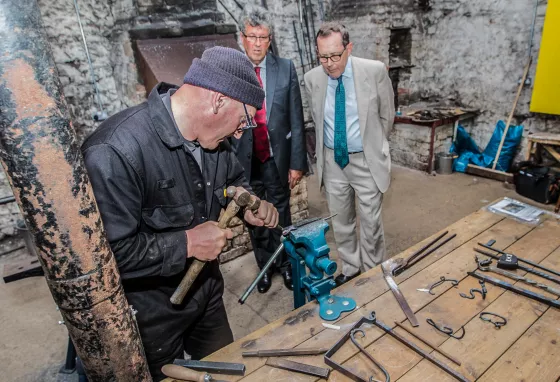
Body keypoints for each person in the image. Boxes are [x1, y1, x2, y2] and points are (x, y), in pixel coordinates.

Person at [81, 46, 279, 381]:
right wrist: (187, 243)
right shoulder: (114, 152)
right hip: (150, 316)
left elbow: (232, 180)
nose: (241, 132)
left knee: (225, 372)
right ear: (218, 101)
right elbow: (104, 259)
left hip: (207, 296)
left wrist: (247, 202)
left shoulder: (215, 141)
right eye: (244, 121)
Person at [304, 22, 395, 286]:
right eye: (323, 56)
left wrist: (375, 145)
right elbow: (317, 119)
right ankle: (352, 268)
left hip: (365, 159)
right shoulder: (313, 79)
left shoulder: (374, 71)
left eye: (335, 55)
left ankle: (372, 271)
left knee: (371, 224)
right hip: (333, 160)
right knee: (341, 222)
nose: (329, 63)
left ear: (349, 48)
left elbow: (386, 116)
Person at [232, 6, 307, 293]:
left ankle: (287, 266)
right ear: (243, 37)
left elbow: (297, 120)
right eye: (252, 36)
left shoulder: (285, 68)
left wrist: (297, 162)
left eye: (263, 37)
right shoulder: (233, 70)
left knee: (282, 215)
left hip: (277, 158)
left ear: (270, 38)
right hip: (245, 161)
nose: (258, 43)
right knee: (255, 219)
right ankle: (265, 267)